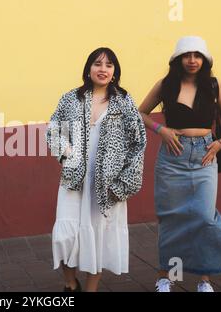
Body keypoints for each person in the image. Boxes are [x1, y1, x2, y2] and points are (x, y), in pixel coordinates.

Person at [138, 36, 221, 292]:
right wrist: (161, 129)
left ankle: (204, 281)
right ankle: (166, 277)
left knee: (204, 217)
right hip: (173, 158)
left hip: (206, 156)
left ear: (204, 60)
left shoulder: (214, 85)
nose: (192, 60)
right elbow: (140, 112)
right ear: (178, 59)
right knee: (172, 219)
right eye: (187, 55)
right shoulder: (166, 84)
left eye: (197, 55)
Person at [45, 47, 147, 292]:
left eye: (109, 65)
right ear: (88, 69)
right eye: (98, 64)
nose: (103, 69)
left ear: (115, 72)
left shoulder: (123, 101)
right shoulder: (71, 98)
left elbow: (138, 142)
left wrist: (124, 182)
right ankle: (71, 283)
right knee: (65, 235)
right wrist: (68, 155)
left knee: (99, 238)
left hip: (107, 183)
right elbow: (53, 129)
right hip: (73, 179)